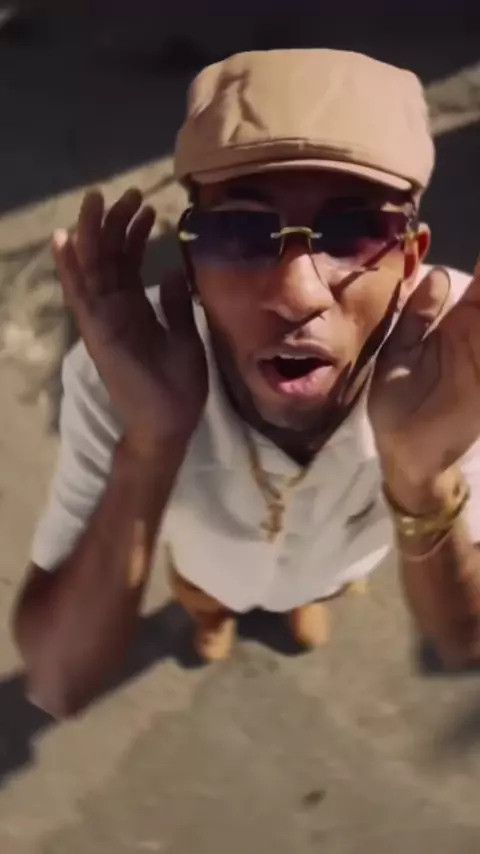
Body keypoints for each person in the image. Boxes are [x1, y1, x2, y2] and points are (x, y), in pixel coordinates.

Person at [12, 48, 480, 719]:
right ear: (192, 263)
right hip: (208, 572)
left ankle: (296, 606)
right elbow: (58, 679)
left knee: (314, 597)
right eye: (238, 232)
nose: (296, 294)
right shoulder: (121, 368)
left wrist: (422, 478)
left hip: (333, 570)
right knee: (205, 600)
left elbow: (465, 638)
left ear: (409, 261)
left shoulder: (461, 351)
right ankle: (213, 619)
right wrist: (150, 446)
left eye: (354, 232)